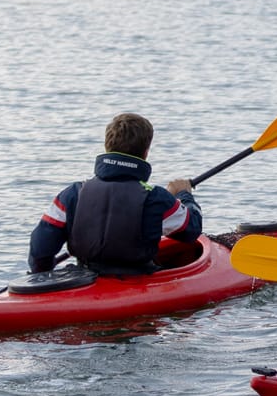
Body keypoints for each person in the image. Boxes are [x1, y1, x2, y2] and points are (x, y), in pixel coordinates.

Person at [29, 112, 202, 275]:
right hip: (137, 277)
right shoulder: (156, 198)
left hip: (84, 276)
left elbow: (39, 251)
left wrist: (44, 279)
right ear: (146, 152)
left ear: (106, 146)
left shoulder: (73, 193)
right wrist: (183, 195)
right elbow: (191, 230)